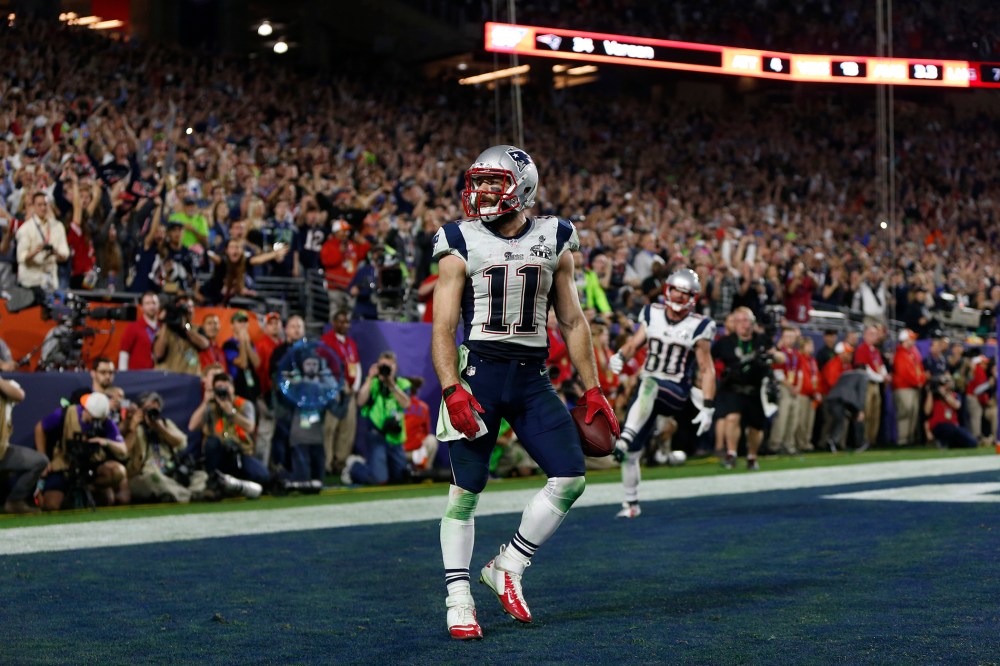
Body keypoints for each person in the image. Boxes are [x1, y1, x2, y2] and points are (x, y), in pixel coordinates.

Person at [431, 145, 619, 639]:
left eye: (494, 182)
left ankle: (508, 565)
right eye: (478, 181)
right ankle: (458, 598)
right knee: (465, 492)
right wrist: (451, 388)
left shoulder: (554, 235)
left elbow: (573, 320)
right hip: (480, 376)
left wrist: (593, 388)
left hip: (533, 377)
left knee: (571, 477)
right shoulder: (458, 239)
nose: (482, 191)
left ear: (523, 187)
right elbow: (443, 326)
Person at [607, 268, 716, 519]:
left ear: (692, 297)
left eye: (684, 293)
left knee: (649, 384)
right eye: (676, 290)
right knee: (631, 454)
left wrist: (708, 406)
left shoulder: (700, 325)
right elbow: (634, 344)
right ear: (668, 289)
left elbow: (707, 369)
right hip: (646, 394)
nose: (678, 296)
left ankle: (624, 439)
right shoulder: (652, 313)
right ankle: (631, 504)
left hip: (675, 391)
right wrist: (620, 356)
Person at [712, 307, 782, 470]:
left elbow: (781, 357)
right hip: (733, 387)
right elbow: (709, 360)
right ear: (733, 324)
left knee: (756, 427)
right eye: (739, 321)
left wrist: (771, 356)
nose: (743, 324)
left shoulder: (762, 339)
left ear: (752, 322)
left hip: (755, 388)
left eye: (746, 320)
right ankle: (731, 453)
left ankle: (752, 456)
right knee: (732, 417)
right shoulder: (725, 342)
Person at [35, 392, 128, 510]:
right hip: (65, 463)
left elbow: (123, 450)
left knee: (116, 475)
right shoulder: (66, 414)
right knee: (51, 504)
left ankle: (89, 489)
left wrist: (105, 441)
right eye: (94, 418)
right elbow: (40, 427)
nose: (95, 422)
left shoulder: (106, 422)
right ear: (86, 410)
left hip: (91, 465)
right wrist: (42, 457)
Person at [188, 371, 267, 497]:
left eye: (226, 387)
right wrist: (205, 402)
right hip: (219, 454)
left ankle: (237, 484)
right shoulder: (211, 406)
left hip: (240, 452)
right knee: (212, 442)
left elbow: (250, 427)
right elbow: (192, 426)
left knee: (263, 476)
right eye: (219, 388)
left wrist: (231, 412)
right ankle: (213, 482)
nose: (223, 391)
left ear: (233, 388)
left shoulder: (244, 404)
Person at [342, 351, 412, 486]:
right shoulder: (373, 383)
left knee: (400, 478)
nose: (384, 370)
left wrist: (391, 384)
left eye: (388, 366)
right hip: (376, 435)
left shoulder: (402, 383)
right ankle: (354, 467)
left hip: (395, 437)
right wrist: (369, 378)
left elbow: (406, 404)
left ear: (395, 368)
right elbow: (360, 401)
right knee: (379, 479)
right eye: (382, 366)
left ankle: (376, 467)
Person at [125, 391, 198, 503]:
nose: (151, 414)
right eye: (148, 410)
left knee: (201, 476)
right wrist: (133, 427)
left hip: (170, 470)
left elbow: (182, 443)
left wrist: (161, 429)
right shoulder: (134, 427)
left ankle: (180, 494)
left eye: (155, 410)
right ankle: (189, 495)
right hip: (146, 473)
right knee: (152, 480)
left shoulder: (165, 424)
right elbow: (124, 452)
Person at [320, 309, 362, 476]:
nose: (345, 325)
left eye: (347, 322)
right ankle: (327, 462)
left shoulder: (351, 343)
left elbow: (356, 365)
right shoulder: (326, 340)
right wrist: (336, 385)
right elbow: (322, 366)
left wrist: (355, 386)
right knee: (330, 428)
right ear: (333, 323)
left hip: (350, 391)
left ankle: (340, 462)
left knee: (348, 428)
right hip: (334, 390)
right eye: (341, 321)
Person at [0, 375, 47, 513]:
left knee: (39, 461)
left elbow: (19, 395)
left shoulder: (5, 386)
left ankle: (14, 501)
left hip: (2, 451)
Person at [153, 294, 210, 376]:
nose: (186, 310)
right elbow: (158, 354)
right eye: (182, 307)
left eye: (190, 306)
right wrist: (165, 322)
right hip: (167, 378)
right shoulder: (164, 330)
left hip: (189, 377)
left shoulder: (194, 329)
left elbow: (205, 345)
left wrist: (184, 327)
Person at [892, 329, 926, 447]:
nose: (913, 341)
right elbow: (905, 373)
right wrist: (918, 381)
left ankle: (909, 438)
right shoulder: (900, 354)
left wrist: (921, 380)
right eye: (911, 339)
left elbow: (920, 368)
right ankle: (903, 440)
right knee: (905, 414)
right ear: (905, 340)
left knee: (913, 414)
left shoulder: (912, 352)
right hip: (904, 388)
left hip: (914, 387)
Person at [925, 374, 977, 449]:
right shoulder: (934, 397)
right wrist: (930, 392)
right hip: (938, 426)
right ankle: (943, 442)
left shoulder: (955, 395)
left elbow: (957, 405)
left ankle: (946, 443)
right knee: (948, 429)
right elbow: (927, 411)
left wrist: (944, 394)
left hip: (953, 426)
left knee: (972, 442)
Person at [117, 291, 160, 370]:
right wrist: (123, 375)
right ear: (141, 307)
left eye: (154, 303)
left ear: (159, 305)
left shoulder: (163, 327)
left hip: (159, 373)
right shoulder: (133, 327)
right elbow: (124, 352)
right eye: (147, 303)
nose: (151, 306)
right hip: (138, 374)